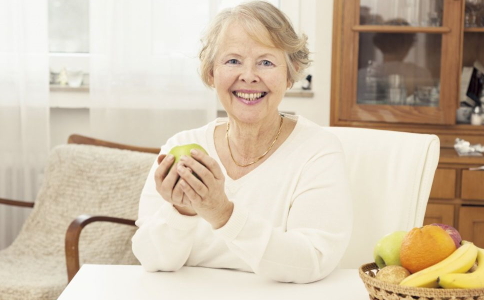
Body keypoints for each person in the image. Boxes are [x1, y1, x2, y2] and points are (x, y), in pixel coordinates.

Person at [131, 1, 352, 284]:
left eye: (266, 62)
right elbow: (151, 259)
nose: (248, 76)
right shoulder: (182, 145)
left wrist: (222, 213)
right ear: (212, 73)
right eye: (233, 60)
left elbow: (311, 261)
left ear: (290, 74)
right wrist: (182, 210)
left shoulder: (318, 151)